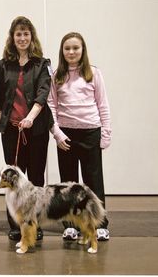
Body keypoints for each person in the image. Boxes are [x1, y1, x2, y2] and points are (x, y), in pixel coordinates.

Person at [0, 16, 53, 241]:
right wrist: (6, 122)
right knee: (14, 179)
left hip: (36, 130)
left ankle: (35, 225)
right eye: (18, 34)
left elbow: (42, 95)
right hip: (11, 132)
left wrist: (29, 118)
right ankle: (16, 224)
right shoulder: (2, 65)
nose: (22, 38)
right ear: (12, 37)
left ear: (32, 37)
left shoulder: (42, 64)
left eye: (26, 34)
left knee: (36, 179)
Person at [47, 32, 111, 241]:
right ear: (62, 52)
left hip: (91, 132)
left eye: (76, 48)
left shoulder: (93, 73)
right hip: (66, 136)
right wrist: (56, 133)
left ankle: (99, 223)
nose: (72, 52)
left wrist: (105, 133)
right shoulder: (56, 75)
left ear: (83, 50)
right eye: (67, 48)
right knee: (68, 185)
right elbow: (51, 105)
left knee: (93, 181)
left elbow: (103, 105)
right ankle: (71, 225)